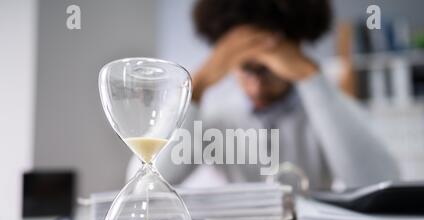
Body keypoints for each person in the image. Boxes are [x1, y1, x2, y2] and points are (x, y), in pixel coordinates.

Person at [129, 0, 400, 190]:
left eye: (268, 70)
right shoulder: (213, 115)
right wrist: (196, 84)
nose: (257, 87)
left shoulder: (328, 107)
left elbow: (379, 182)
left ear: (295, 50)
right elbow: (142, 182)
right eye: (246, 69)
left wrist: (310, 75)